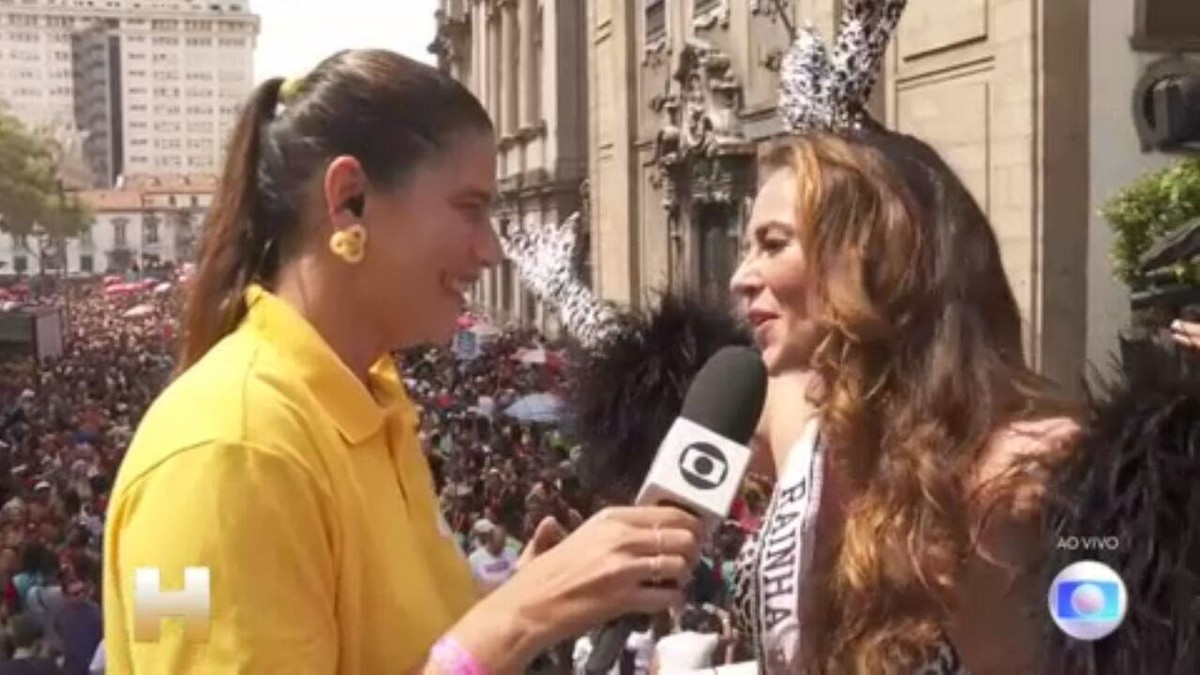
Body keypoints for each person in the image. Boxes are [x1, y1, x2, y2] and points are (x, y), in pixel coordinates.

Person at [102, 50, 702, 674]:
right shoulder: (226, 452)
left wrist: (531, 597)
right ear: (350, 200)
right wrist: (520, 615)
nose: (491, 249)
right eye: (468, 207)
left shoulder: (373, 406)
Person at [467, 523, 518, 595]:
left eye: (502, 545)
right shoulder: (474, 559)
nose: (500, 549)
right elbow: (473, 584)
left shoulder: (511, 553)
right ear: (489, 541)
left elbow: (516, 575)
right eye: (497, 546)